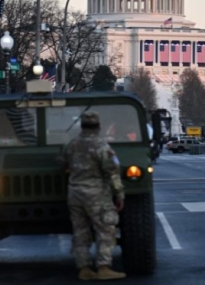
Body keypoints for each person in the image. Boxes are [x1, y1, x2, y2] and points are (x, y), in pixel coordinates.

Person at [57, 111, 126, 281]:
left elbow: (62, 162)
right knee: (105, 229)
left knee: (80, 231)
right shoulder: (102, 146)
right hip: (96, 194)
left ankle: (84, 268)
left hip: (74, 193)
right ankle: (103, 266)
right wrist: (119, 194)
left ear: (82, 126)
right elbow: (112, 172)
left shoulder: (72, 145)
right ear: (98, 127)